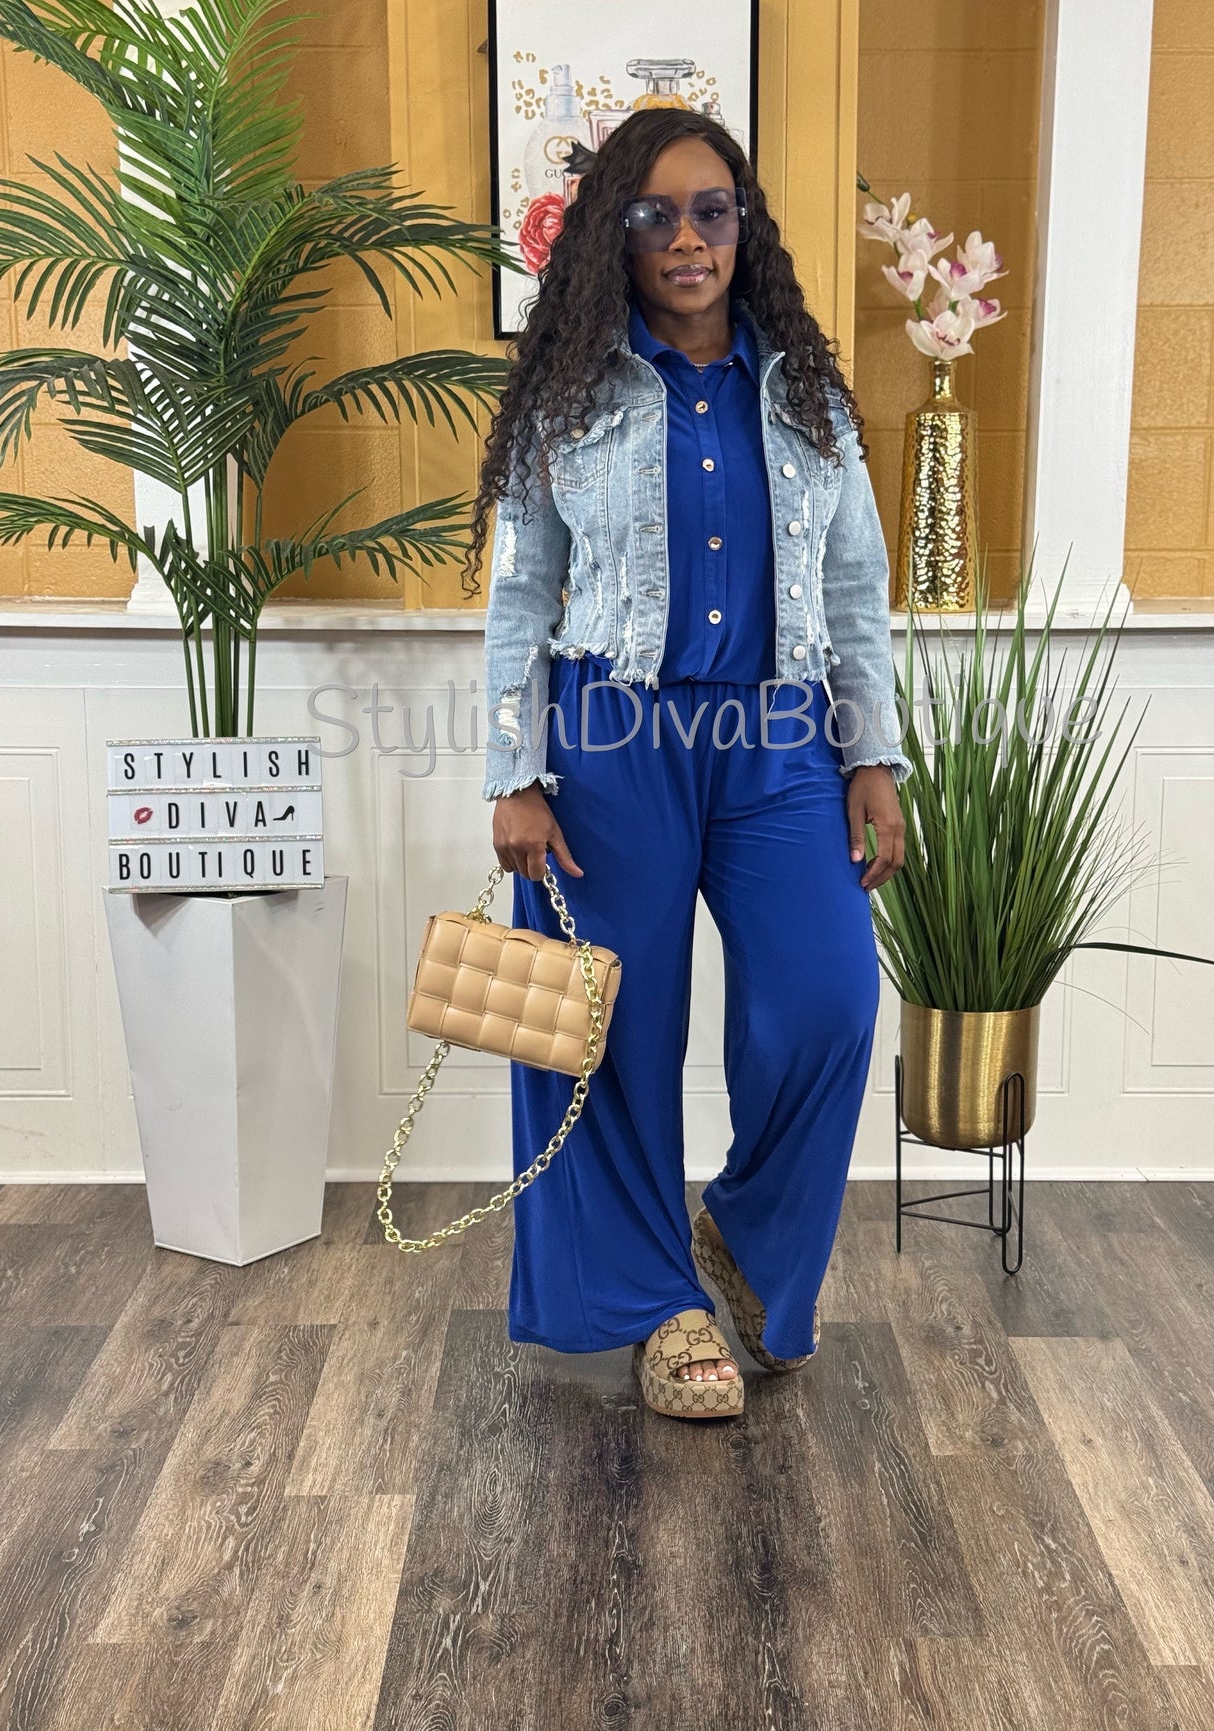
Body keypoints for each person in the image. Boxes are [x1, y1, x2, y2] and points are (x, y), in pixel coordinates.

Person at [462, 109, 910, 1420]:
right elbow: (519, 597)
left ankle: (743, 1243)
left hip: (780, 742)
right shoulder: (568, 395)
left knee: (826, 1001)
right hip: (610, 741)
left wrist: (872, 758)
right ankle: (659, 1307)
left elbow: (853, 588)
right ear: (613, 235)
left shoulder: (808, 394)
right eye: (652, 214)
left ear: (743, 227)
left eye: (711, 211)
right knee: (603, 1028)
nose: (686, 238)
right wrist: (512, 771)